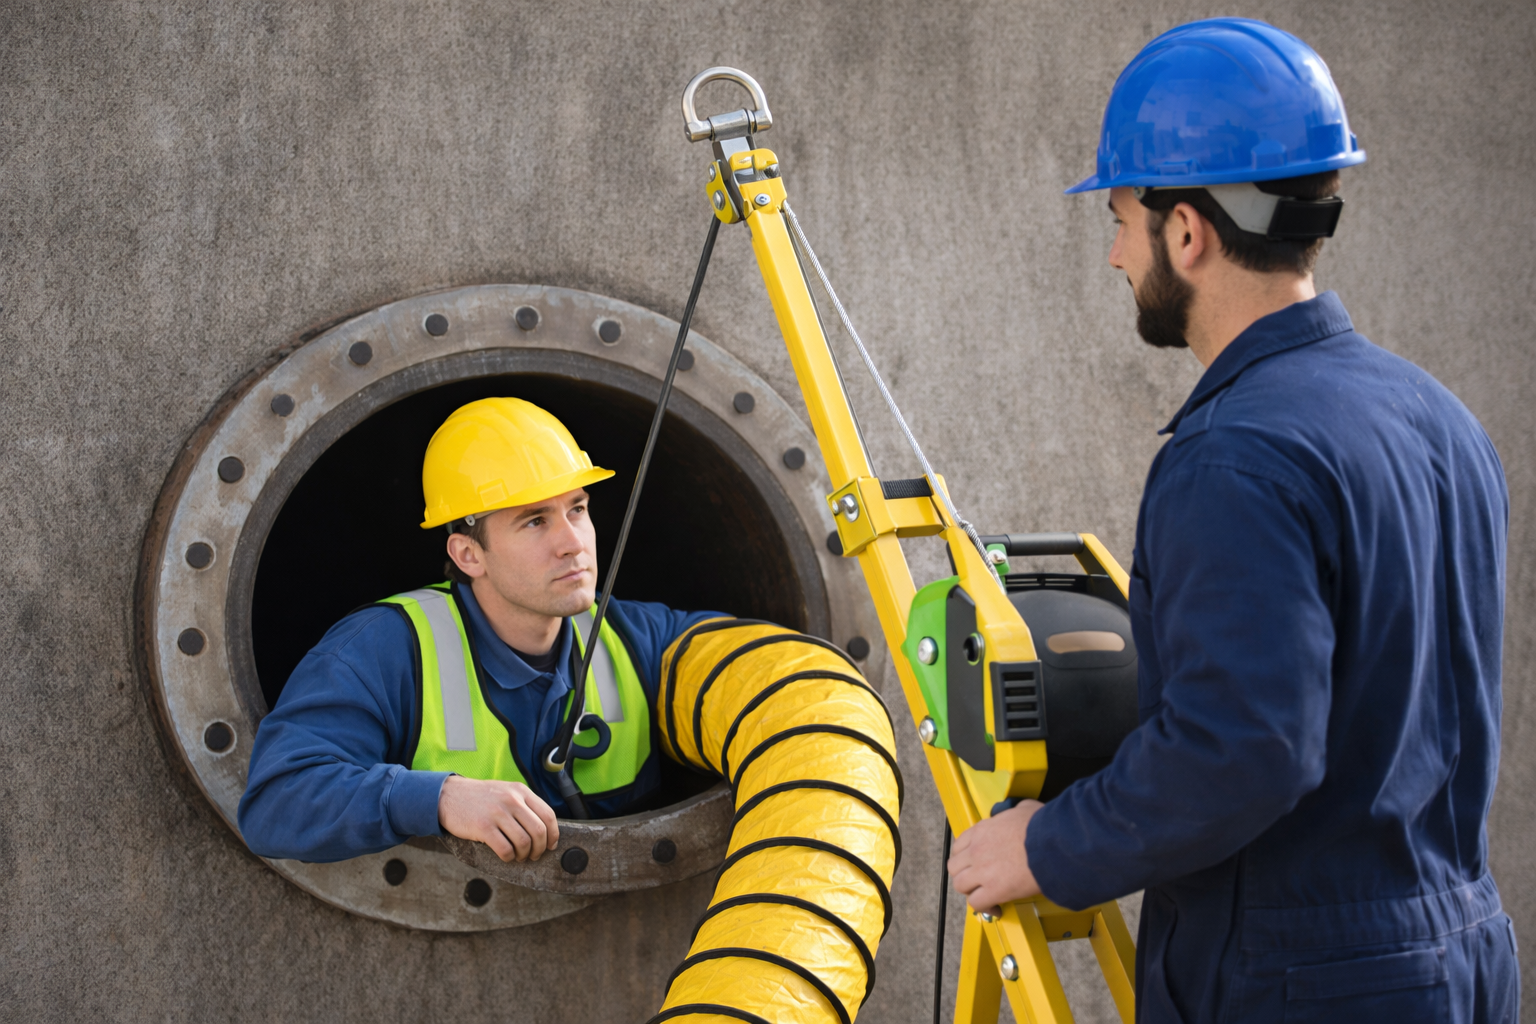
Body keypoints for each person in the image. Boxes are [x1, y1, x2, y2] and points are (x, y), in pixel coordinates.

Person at [947, 18, 1517, 1022]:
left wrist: (1045, 843)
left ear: (1187, 232)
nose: (1117, 254)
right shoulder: (1439, 417)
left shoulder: (1234, 457)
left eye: (1120, 218)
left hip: (1304, 981)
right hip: (1462, 949)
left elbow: (1242, 749)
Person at [238, 397, 721, 864]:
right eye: (535, 521)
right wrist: (440, 799)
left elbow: (765, 665)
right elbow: (276, 802)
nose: (573, 543)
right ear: (468, 554)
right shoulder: (383, 650)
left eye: (577, 508)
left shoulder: (633, 634)